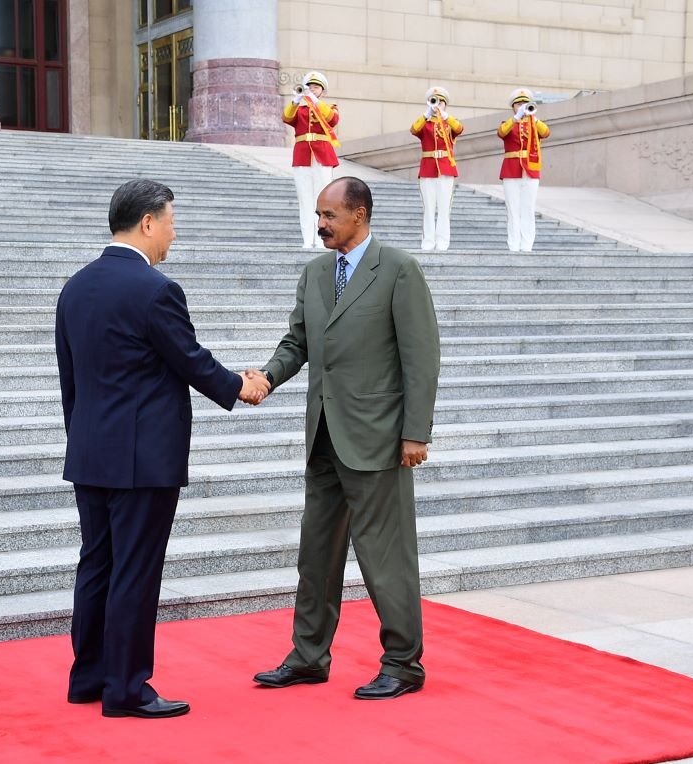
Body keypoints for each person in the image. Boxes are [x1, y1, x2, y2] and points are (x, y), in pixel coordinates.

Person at [55, 178, 269, 719]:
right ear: (147, 222)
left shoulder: (75, 287)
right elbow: (189, 358)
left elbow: (70, 382)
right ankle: (126, 689)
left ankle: (89, 678)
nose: (173, 234)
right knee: (135, 572)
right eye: (170, 221)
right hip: (143, 459)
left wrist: (82, 439)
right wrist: (239, 386)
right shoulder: (155, 290)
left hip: (90, 452)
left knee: (97, 566)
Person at [247, 176, 441, 700]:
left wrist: (415, 432)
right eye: (319, 214)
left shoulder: (398, 270)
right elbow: (298, 342)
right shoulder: (314, 274)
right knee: (316, 555)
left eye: (330, 215)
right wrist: (266, 375)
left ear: (359, 214)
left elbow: (420, 358)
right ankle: (309, 657)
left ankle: (403, 664)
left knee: (385, 557)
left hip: (379, 440)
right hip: (324, 439)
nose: (321, 224)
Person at [284, 70, 340, 249]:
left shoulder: (329, 107)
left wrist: (315, 101)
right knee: (305, 198)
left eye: (316, 87)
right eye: (309, 87)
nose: (311, 90)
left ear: (322, 91)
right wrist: (296, 100)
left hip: (322, 155)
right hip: (302, 156)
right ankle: (308, 240)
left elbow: (332, 119)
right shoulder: (298, 109)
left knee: (323, 199)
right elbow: (286, 117)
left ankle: (323, 240)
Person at [411, 85, 463, 251]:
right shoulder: (425, 124)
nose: (437, 104)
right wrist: (426, 114)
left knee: (444, 208)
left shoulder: (448, 123)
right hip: (428, 168)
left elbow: (459, 129)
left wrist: (445, 116)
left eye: (441, 102)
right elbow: (414, 129)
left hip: (446, 168)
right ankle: (428, 242)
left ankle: (442, 243)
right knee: (429, 208)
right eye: (435, 101)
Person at [498, 87, 550, 252]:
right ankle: (514, 245)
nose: (521, 106)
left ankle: (527, 246)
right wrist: (517, 117)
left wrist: (533, 118)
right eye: (518, 104)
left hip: (530, 169)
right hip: (511, 169)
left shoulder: (534, 124)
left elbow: (546, 132)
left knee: (528, 209)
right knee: (513, 210)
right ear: (513, 106)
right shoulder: (508, 123)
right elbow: (501, 132)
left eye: (525, 103)